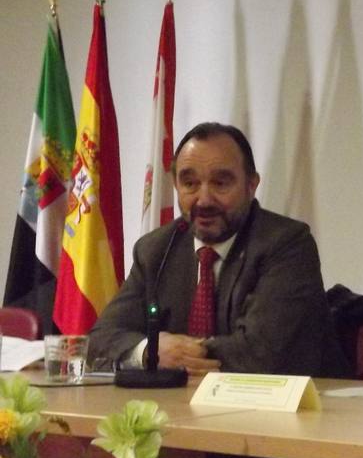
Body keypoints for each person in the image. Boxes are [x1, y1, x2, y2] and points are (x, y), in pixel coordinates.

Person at [88, 122, 349, 377]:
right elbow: (100, 340)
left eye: (221, 183)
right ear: (175, 185)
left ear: (251, 185)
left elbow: (261, 354)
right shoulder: (155, 249)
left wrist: (170, 353)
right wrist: (148, 351)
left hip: (298, 411)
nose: (204, 200)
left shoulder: (286, 244)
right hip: (185, 409)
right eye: (189, 183)